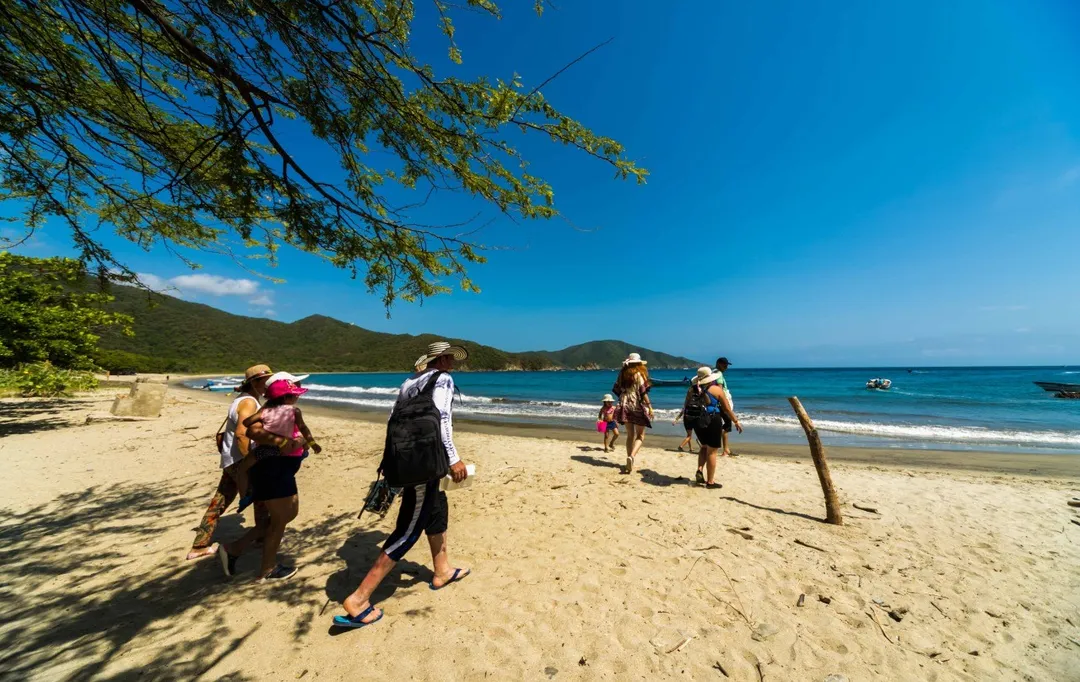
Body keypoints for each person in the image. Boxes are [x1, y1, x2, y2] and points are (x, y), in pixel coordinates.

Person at [333, 341, 472, 629]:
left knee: (436, 508)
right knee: (408, 529)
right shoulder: (443, 379)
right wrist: (454, 458)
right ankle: (359, 599)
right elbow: (444, 420)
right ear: (443, 359)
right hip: (426, 462)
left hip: (410, 461)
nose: (453, 364)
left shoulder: (409, 382)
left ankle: (442, 570)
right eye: (450, 359)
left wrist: (390, 461)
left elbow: (391, 419)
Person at [217, 371, 314, 582]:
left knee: (287, 514)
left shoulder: (284, 411)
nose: (298, 389)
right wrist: (283, 442)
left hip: (281, 470)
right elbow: (252, 431)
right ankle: (267, 569)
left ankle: (234, 548)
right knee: (280, 519)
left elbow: (298, 437)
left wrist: (302, 443)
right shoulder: (268, 410)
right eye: (295, 385)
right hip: (273, 469)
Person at [185, 365, 272, 561]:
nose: (268, 385)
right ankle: (261, 538)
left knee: (220, 501)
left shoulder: (241, 400)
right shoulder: (249, 403)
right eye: (265, 381)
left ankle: (199, 545)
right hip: (241, 461)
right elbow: (242, 434)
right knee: (262, 500)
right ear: (255, 383)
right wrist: (251, 463)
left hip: (231, 460)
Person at [691, 366, 743, 488]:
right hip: (712, 420)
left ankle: (699, 469)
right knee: (712, 451)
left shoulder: (692, 389)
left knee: (703, 447)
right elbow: (726, 408)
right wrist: (736, 421)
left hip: (697, 421)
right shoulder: (716, 389)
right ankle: (710, 481)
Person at [612, 353, 653, 475]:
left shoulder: (622, 374)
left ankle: (628, 460)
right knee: (640, 436)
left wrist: (625, 397)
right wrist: (650, 406)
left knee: (630, 435)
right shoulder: (639, 375)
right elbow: (643, 392)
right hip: (636, 405)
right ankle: (632, 457)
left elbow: (617, 390)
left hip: (624, 404)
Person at [714, 357, 736, 456]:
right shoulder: (718, 375)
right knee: (727, 425)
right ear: (719, 364)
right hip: (722, 402)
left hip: (719, 403)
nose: (726, 367)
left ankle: (725, 449)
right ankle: (725, 450)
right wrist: (724, 404)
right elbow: (719, 390)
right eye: (724, 365)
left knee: (724, 424)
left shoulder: (714, 373)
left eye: (727, 365)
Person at [672, 384, 698, 452]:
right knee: (689, 436)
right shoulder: (695, 401)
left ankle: (690, 448)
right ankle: (681, 446)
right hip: (692, 419)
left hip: (686, 419)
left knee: (689, 435)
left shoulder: (687, 402)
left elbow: (682, 411)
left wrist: (676, 420)